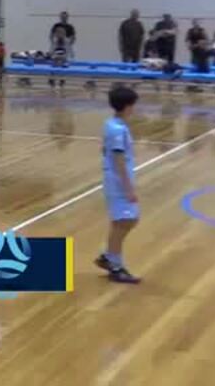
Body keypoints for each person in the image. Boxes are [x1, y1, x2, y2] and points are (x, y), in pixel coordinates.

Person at [95, 86, 141, 284]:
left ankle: (110, 257)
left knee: (122, 221)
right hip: (118, 181)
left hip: (115, 179)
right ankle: (114, 263)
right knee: (126, 220)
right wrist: (128, 188)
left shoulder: (112, 124)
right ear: (127, 106)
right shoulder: (117, 130)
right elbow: (118, 159)